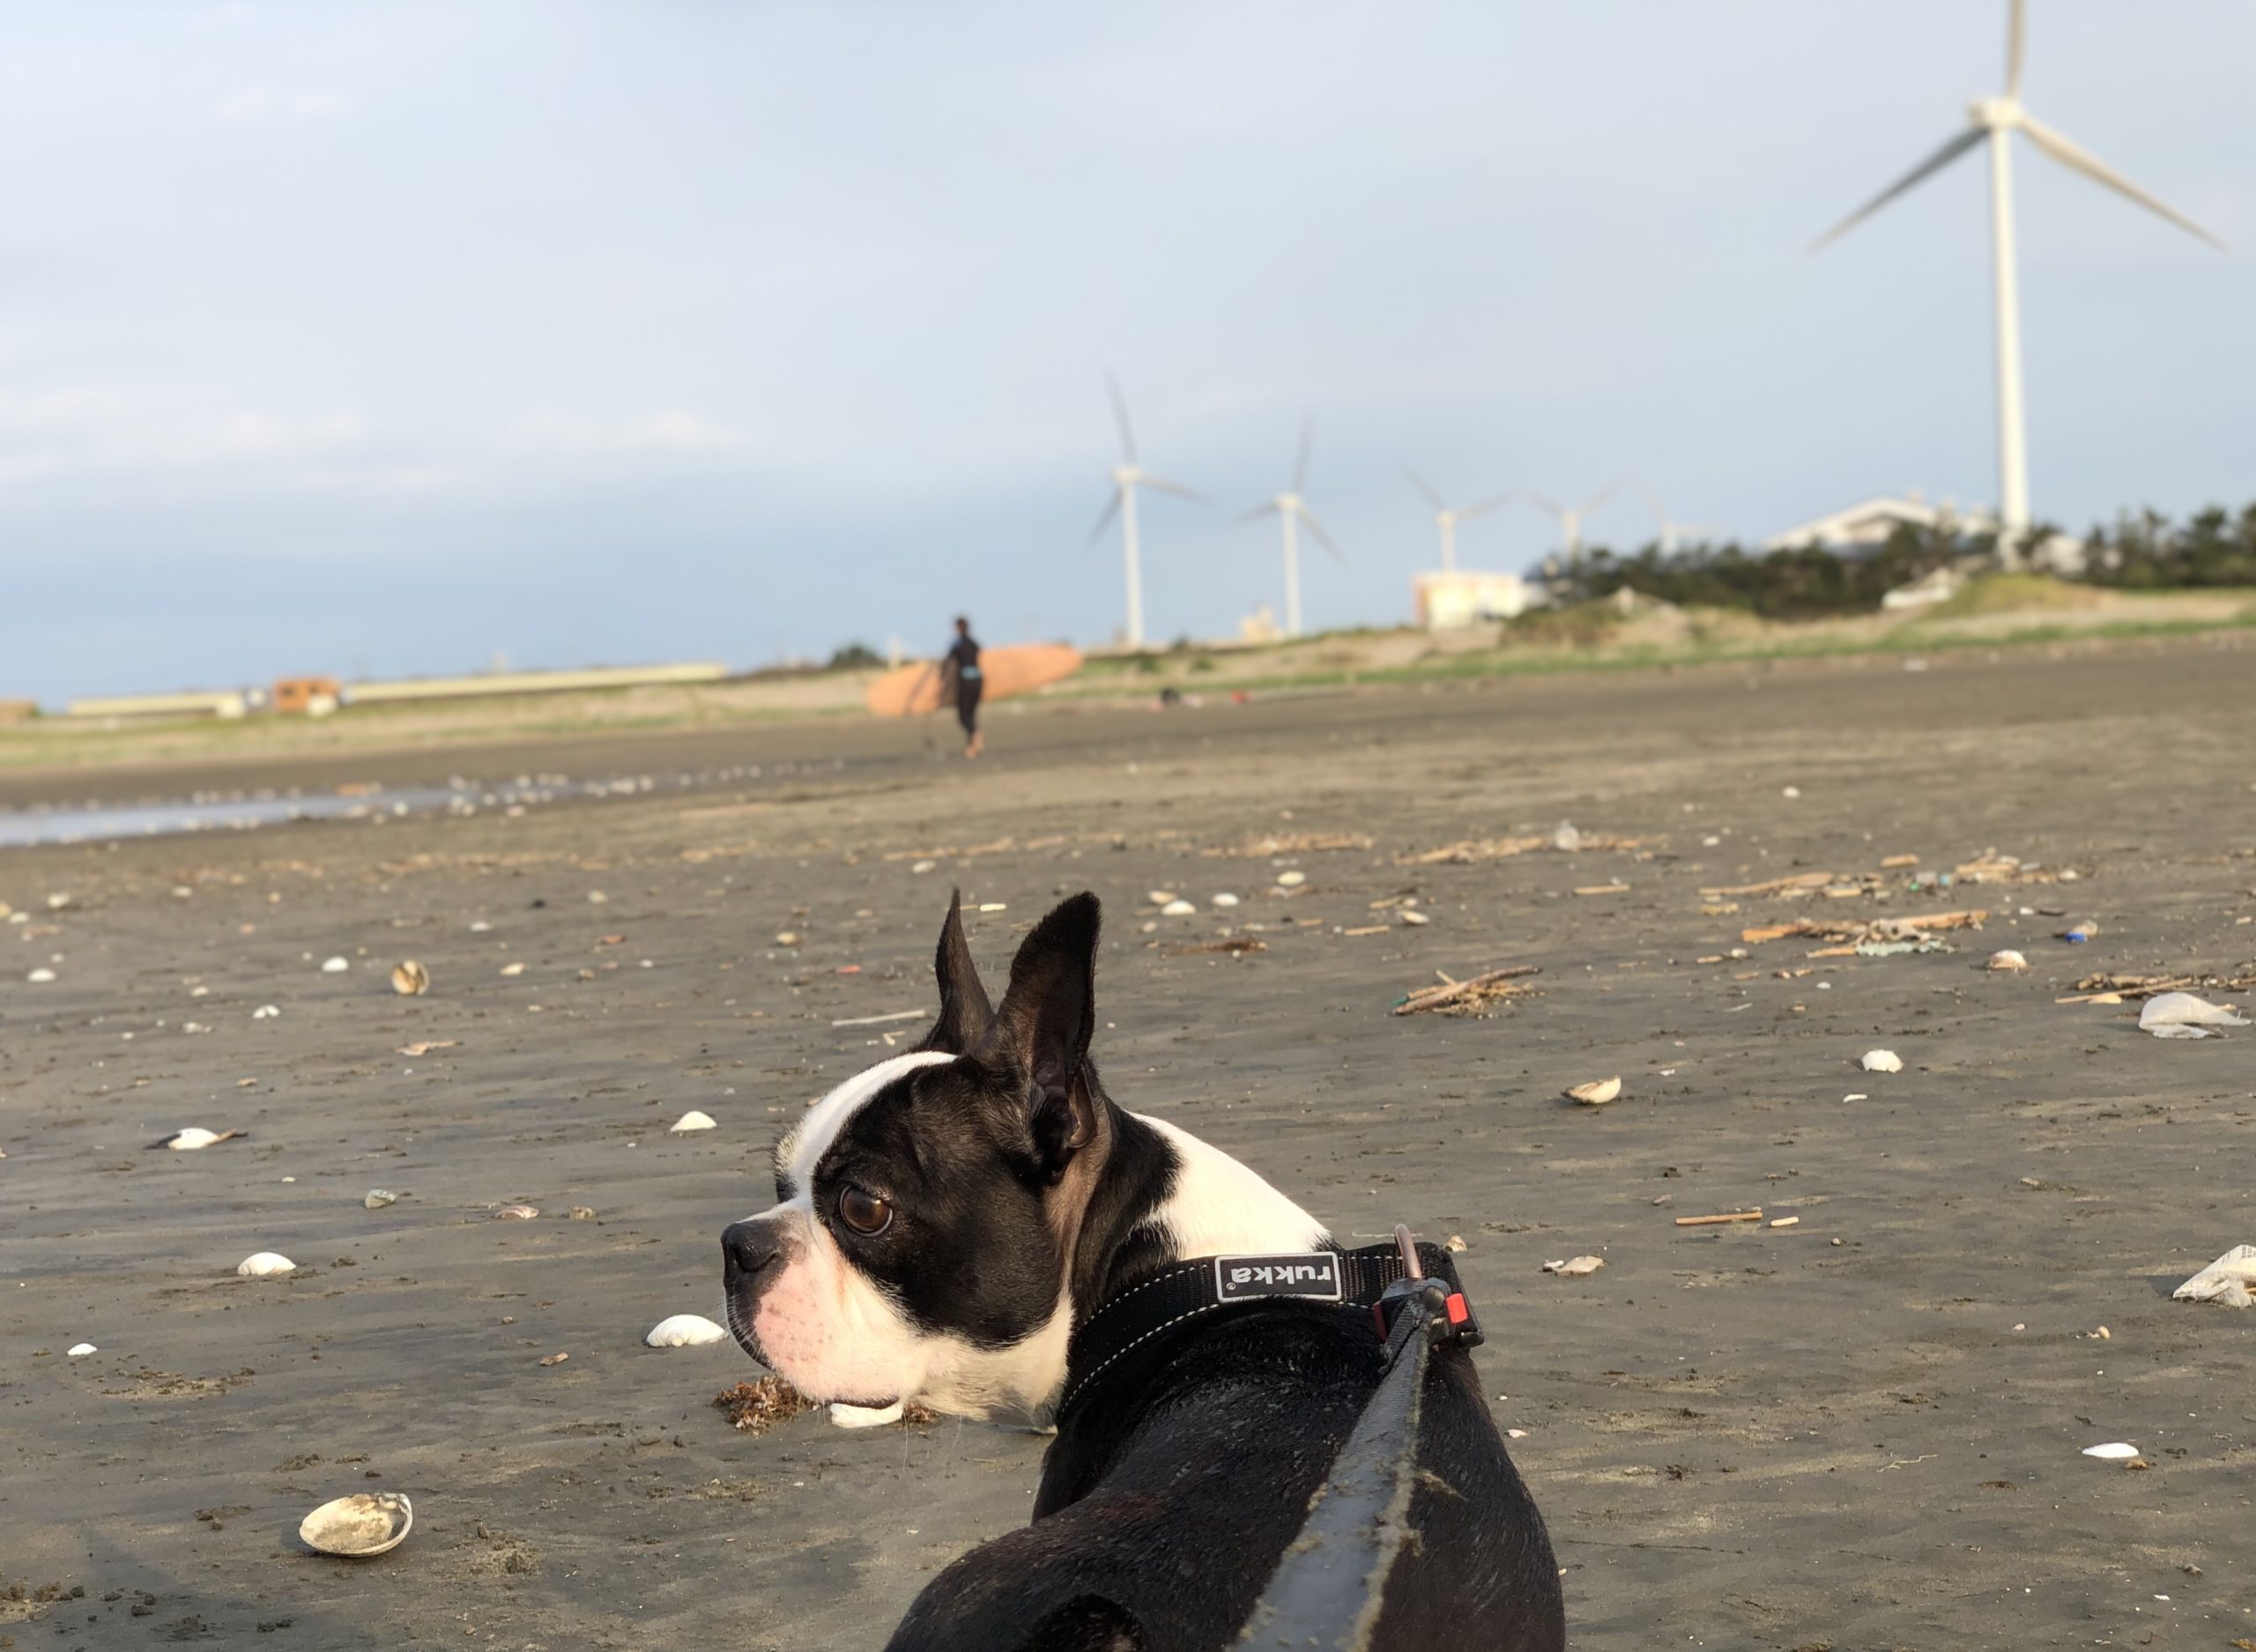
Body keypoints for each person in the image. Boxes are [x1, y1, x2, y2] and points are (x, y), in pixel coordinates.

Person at [941, 616, 983, 759]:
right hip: (978, 680)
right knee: (971, 714)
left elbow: (947, 663)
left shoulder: (957, 644)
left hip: (965, 681)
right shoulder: (974, 643)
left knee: (963, 716)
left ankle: (975, 735)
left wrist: (942, 680)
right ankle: (971, 748)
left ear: (958, 628)